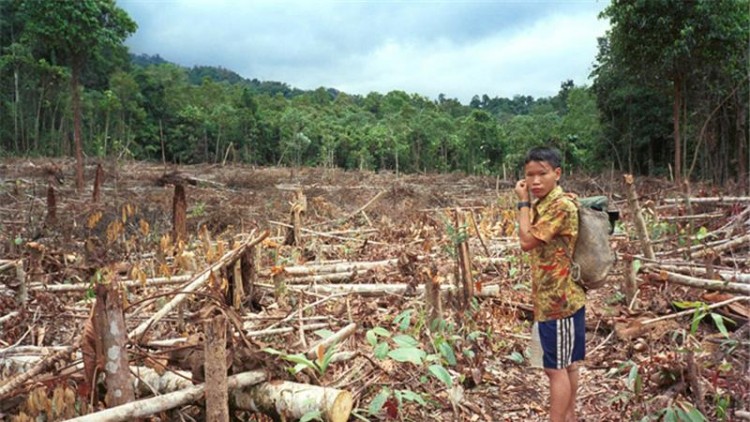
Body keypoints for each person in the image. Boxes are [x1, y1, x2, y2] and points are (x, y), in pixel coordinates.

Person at [514, 146, 586, 422]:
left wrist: (522, 204)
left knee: (556, 369)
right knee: (566, 366)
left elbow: (526, 241)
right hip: (555, 299)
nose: (534, 182)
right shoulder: (549, 203)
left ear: (557, 174)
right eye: (529, 175)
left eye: (541, 174)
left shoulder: (559, 205)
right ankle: (568, 417)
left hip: (559, 302)